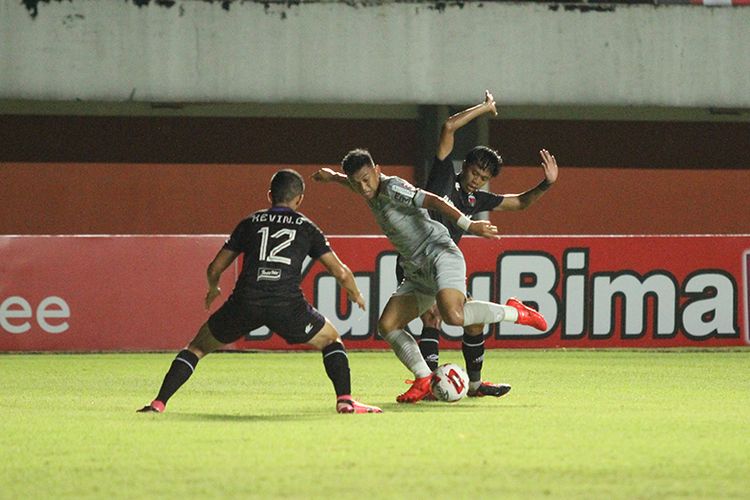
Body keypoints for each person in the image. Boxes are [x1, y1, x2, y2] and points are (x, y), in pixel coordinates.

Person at [137, 169, 382, 415]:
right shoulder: (307, 228)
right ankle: (345, 401)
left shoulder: (250, 223)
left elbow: (215, 267)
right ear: (299, 199)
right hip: (287, 306)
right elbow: (341, 272)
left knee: (197, 348)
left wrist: (214, 288)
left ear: (270, 195)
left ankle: (159, 403)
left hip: (245, 302)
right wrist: (355, 294)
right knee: (331, 340)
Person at [312, 149, 547, 403]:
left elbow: (434, 201)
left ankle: (515, 312)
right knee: (388, 326)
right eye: (357, 182)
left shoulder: (393, 188)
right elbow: (357, 183)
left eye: (367, 178)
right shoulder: (366, 187)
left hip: (440, 254)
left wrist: (470, 225)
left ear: (378, 170)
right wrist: (333, 177)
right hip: (416, 268)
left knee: (454, 315)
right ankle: (424, 377)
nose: (364, 186)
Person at [411, 90, 559, 398]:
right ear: (464, 166)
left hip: (446, 263)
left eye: (483, 177)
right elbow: (449, 127)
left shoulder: (476, 198)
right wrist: (484, 107)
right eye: (475, 172)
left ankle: (475, 385)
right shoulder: (442, 176)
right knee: (431, 316)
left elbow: (519, 203)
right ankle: (428, 383)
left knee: (473, 322)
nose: (477, 179)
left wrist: (546, 184)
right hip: (419, 258)